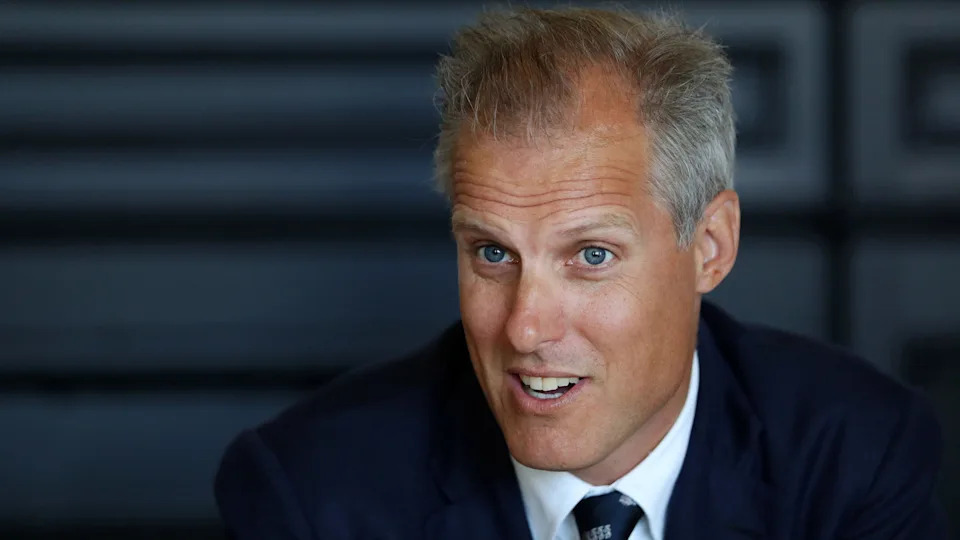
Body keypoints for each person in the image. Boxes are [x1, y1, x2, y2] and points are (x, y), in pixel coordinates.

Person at [214, 7, 946, 539]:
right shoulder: (311, 494)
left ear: (711, 248)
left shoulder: (858, 457)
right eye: (493, 253)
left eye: (591, 256)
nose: (526, 327)